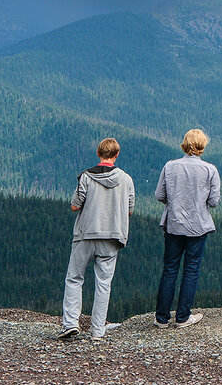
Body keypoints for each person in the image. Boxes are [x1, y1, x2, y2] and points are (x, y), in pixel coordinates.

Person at [59, 138, 135, 342]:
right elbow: (129, 210)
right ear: (116, 155)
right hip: (112, 236)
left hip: (86, 233)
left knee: (74, 278)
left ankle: (71, 324)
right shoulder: (126, 179)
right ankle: (98, 331)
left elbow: (75, 205)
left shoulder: (86, 177)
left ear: (98, 153)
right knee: (104, 283)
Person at [154, 128, 221, 329]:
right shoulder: (210, 170)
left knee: (170, 269)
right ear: (202, 145)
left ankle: (161, 318)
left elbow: (159, 195)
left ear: (185, 144)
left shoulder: (170, 166)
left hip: (173, 225)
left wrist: (174, 203)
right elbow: (214, 201)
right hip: (198, 226)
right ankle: (183, 316)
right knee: (191, 270)